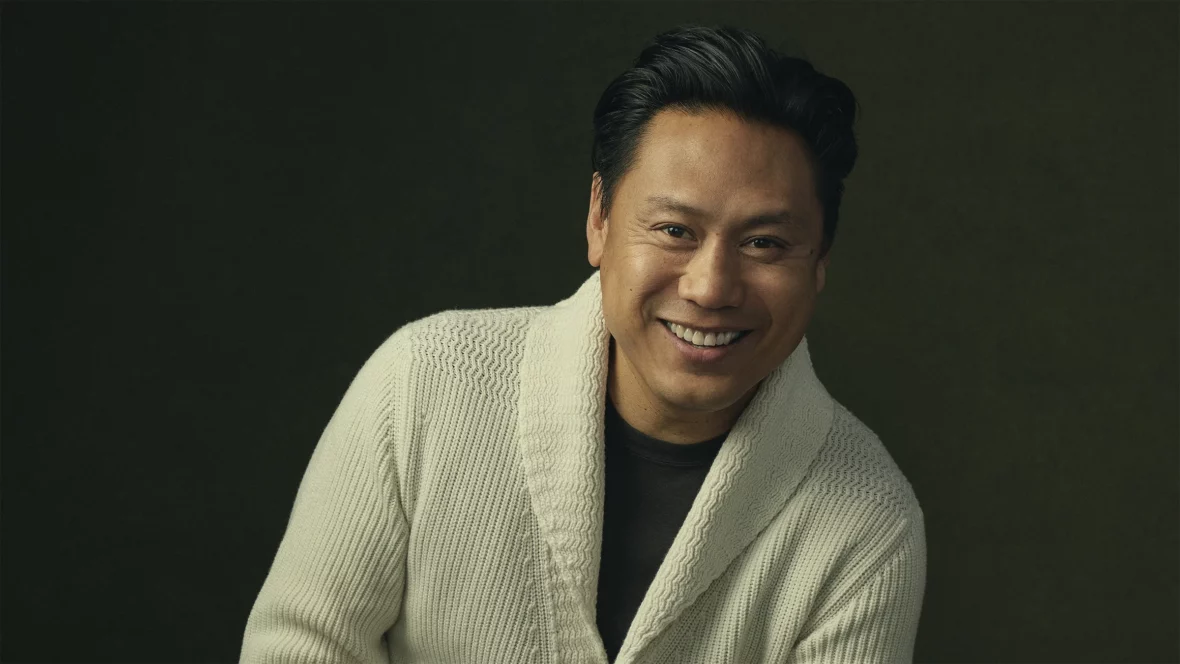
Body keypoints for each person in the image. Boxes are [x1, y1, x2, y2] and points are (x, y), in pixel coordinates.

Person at [240, 23, 926, 664]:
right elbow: (299, 646)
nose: (711, 287)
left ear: (820, 262)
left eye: (765, 243)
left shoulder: (868, 521)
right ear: (599, 218)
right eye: (674, 231)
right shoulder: (424, 382)